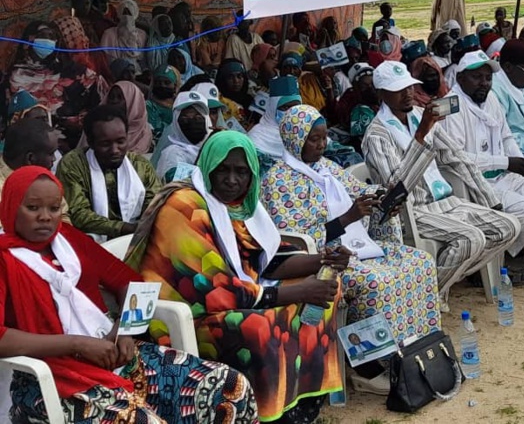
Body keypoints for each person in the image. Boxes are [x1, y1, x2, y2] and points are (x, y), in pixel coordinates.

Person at [0, 166, 258, 423]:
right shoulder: (4, 259)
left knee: (228, 387)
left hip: (112, 354)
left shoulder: (69, 239)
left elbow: (132, 283)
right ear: (11, 207)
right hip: (53, 377)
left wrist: (126, 329)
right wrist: (77, 344)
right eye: (33, 208)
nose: (45, 217)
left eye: (54, 208)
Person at [127, 131, 344, 423]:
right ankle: (268, 414)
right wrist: (300, 292)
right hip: (186, 315)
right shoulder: (185, 205)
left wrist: (323, 260)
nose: (231, 180)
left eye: (241, 172)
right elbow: (213, 290)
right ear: (206, 166)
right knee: (259, 326)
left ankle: (300, 403)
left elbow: (265, 261)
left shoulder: (241, 205)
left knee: (326, 288)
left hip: (236, 295)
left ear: (253, 174)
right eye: (223, 169)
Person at [263, 105, 441, 390]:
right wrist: (349, 217)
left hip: (357, 245)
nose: (322, 145)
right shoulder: (279, 181)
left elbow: (360, 193)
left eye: (323, 138)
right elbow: (295, 241)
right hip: (325, 258)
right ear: (295, 138)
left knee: (419, 261)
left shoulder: (328, 168)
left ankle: (412, 350)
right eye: (314, 139)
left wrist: (381, 202)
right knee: (375, 282)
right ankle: (368, 366)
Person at [361, 61, 521, 304]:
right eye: (398, 89)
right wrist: (421, 136)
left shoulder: (418, 115)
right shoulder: (376, 135)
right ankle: (426, 301)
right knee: (471, 238)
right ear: (381, 94)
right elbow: (396, 188)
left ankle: (436, 287)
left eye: (409, 87)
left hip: (445, 201)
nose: (407, 94)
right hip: (413, 211)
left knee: (508, 226)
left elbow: (456, 158)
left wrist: (490, 200)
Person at [441, 50, 524, 268]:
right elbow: (457, 158)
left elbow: (506, 136)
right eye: (477, 77)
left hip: (502, 175)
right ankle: (489, 262)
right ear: (461, 77)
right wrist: (506, 162)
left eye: (488, 77)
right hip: (471, 183)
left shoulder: (490, 98)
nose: (484, 83)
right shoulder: (452, 105)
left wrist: (519, 161)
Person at [57, 105, 161, 239]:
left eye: (121, 141)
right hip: (90, 243)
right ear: (91, 142)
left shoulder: (140, 165)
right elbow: (78, 213)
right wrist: (124, 228)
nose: (115, 150)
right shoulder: (73, 164)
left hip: (137, 238)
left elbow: (155, 203)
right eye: (105, 144)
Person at [7, 21, 107, 148]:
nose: (47, 41)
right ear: (29, 39)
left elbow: (99, 106)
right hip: (29, 144)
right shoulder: (15, 76)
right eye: (42, 36)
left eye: (51, 37)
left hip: (75, 143)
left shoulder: (75, 72)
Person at [0, 118, 70, 222]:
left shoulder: (45, 180)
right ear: (30, 158)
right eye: (51, 154)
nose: (54, 159)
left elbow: (64, 218)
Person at [249, 76, 303, 176]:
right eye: (285, 107)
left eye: (295, 107)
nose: (291, 112)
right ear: (273, 108)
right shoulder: (256, 136)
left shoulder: (305, 132)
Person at [152, 91, 212, 181]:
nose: (193, 122)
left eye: (198, 118)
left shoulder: (211, 148)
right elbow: (182, 187)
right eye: (185, 119)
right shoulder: (172, 153)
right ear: (176, 124)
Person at [100, 80, 152, 155]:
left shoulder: (143, 133)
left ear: (132, 101)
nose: (114, 101)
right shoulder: (98, 127)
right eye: (111, 97)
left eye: (120, 97)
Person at [334, 62, 379, 142]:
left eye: (372, 84)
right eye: (364, 85)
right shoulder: (355, 103)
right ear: (356, 86)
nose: (370, 88)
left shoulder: (381, 96)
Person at [100, 0, 147, 73]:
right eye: (124, 13)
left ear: (135, 15)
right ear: (119, 14)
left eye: (129, 13)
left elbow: (143, 60)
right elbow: (106, 59)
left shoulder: (142, 34)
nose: (127, 17)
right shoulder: (109, 34)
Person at [146, 64, 181, 141]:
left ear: (175, 85)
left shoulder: (180, 105)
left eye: (167, 83)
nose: (162, 86)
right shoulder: (149, 106)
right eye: (158, 82)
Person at [215, 58, 253, 129]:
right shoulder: (218, 102)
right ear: (223, 80)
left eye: (239, 76)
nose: (236, 81)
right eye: (230, 77)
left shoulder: (249, 101)